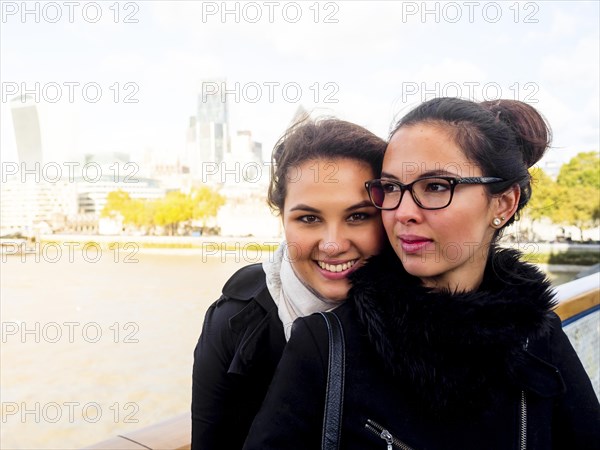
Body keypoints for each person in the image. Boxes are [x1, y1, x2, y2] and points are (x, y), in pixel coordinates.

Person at [243, 98, 600, 449]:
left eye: (436, 187)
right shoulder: (327, 344)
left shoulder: (537, 334)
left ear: (503, 204)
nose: (403, 212)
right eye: (392, 188)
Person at [191, 118, 386, 449]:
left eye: (357, 216)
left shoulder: (428, 315)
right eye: (309, 219)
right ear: (282, 218)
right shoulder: (233, 322)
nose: (333, 244)